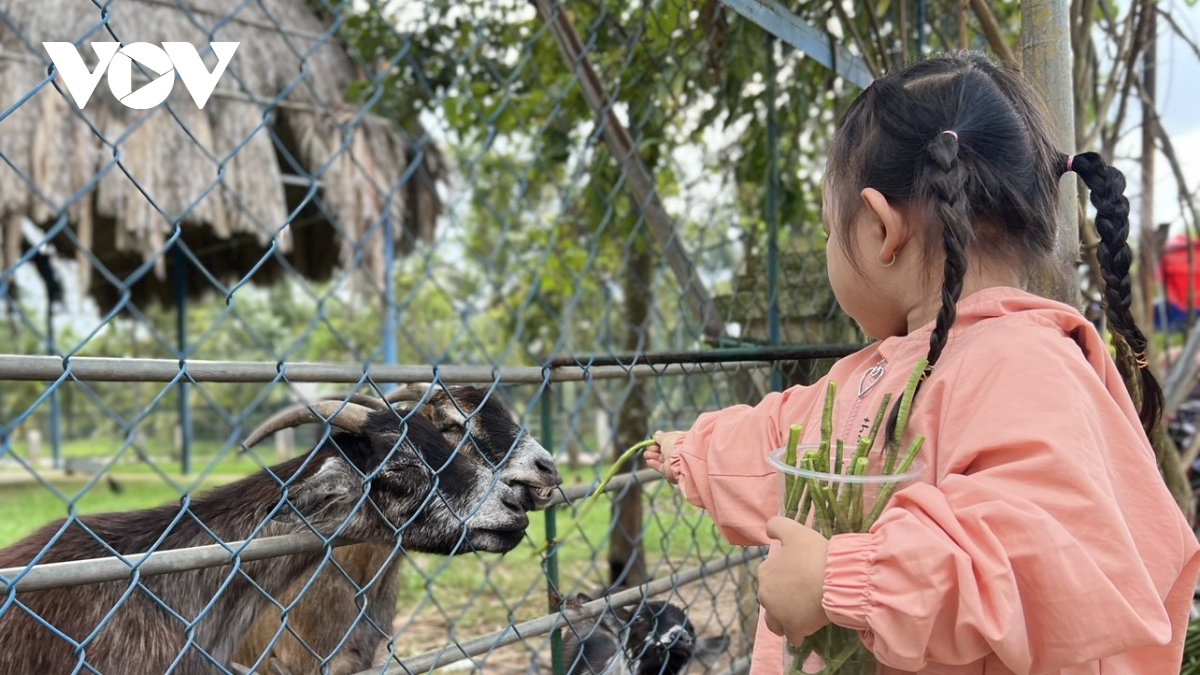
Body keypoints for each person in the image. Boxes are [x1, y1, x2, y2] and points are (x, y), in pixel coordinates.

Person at [643, 51, 1200, 674]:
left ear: (882, 228)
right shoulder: (872, 375)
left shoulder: (1025, 366)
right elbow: (781, 441)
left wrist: (844, 579)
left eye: (832, 228)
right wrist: (690, 450)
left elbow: (1033, 558)